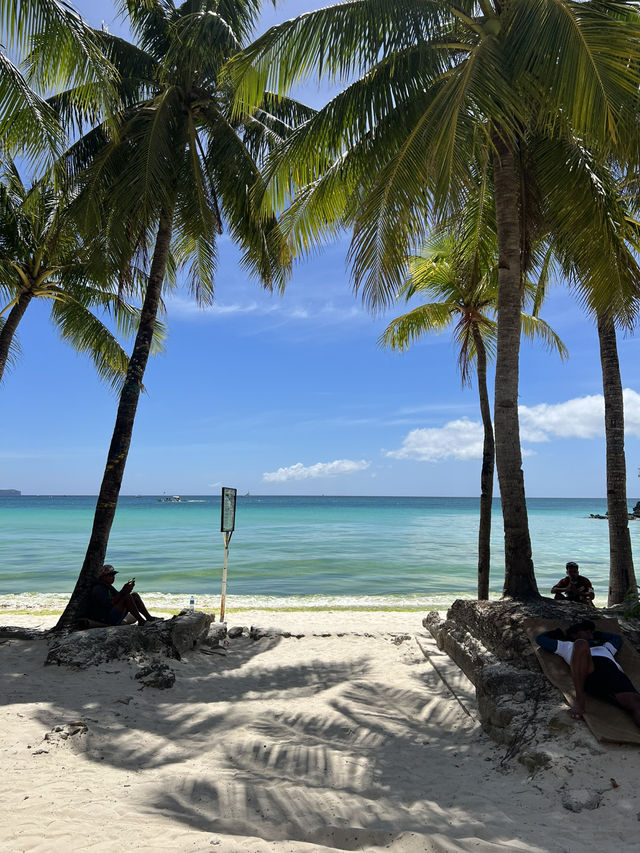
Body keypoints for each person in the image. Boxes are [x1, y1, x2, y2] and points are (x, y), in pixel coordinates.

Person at [535, 619, 640, 727]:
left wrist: (598, 634)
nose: (590, 632)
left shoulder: (604, 647)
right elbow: (540, 639)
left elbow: (616, 638)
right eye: (585, 630)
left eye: (591, 631)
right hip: (589, 670)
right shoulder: (567, 645)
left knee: (636, 702)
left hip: (613, 673)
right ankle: (580, 701)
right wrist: (561, 633)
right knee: (581, 644)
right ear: (574, 634)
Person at [88, 564, 160, 626]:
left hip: (112, 614)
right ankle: (141, 621)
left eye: (113, 575)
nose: (113, 577)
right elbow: (108, 604)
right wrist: (123, 591)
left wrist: (127, 590)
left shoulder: (108, 586)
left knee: (134, 595)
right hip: (105, 618)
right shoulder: (98, 588)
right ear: (103, 577)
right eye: (110, 575)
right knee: (127, 597)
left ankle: (149, 618)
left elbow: (118, 597)